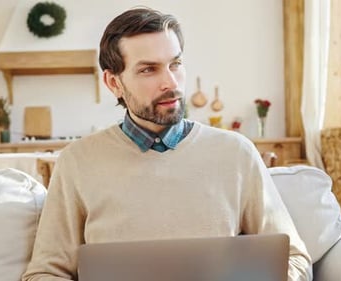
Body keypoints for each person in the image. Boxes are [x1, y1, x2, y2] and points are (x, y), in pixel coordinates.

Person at [22, 7, 312, 281]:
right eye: (149, 70)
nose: (170, 82)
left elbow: (295, 259)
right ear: (114, 83)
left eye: (175, 64)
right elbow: (44, 273)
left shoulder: (236, 153)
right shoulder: (77, 162)